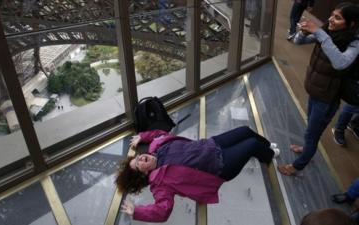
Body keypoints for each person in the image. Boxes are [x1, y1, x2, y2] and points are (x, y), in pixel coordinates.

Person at [115, 126, 279, 222]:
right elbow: (162, 211)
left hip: (213, 145)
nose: (141, 158)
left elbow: (158, 134)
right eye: (138, 164)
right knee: (251, 145)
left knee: (246, 131)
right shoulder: (160, 184)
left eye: (137, 158)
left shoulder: (157, 147)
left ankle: (267, 147)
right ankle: (269, 155)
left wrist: (142, 136)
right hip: (221, 167)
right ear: (143, 174)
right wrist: (136, 212)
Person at [278, 2, 359, 176]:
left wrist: (320, 33)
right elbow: (298, 42)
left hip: (327, 99)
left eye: (337, 17)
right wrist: (303, 31)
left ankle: (297, 166)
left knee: (312, 135)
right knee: (310, 130)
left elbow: (340, 63)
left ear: (351, 24)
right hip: (315, 91)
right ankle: (307, 148)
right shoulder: (328, 33)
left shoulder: (354, 44)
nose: (330, 19)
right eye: (331, 14)